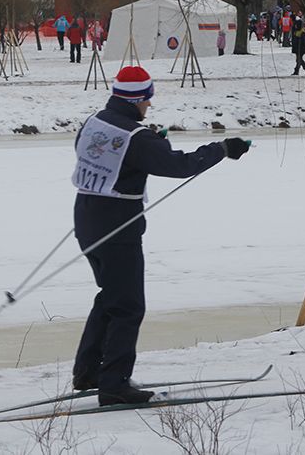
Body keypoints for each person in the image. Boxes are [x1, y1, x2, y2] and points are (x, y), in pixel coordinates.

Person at [71, 66, 250, 406]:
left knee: (110, 295)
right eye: (148, 99)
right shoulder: (138, 138)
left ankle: (89, 372)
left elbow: (108, 154)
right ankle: (113, 386)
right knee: (128, 306)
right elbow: (178, 165)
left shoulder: (94, 121)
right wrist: (223, 148)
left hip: (87, 220)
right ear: (138, 99)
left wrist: (149, 147)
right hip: (117, 229)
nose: (150, 105)